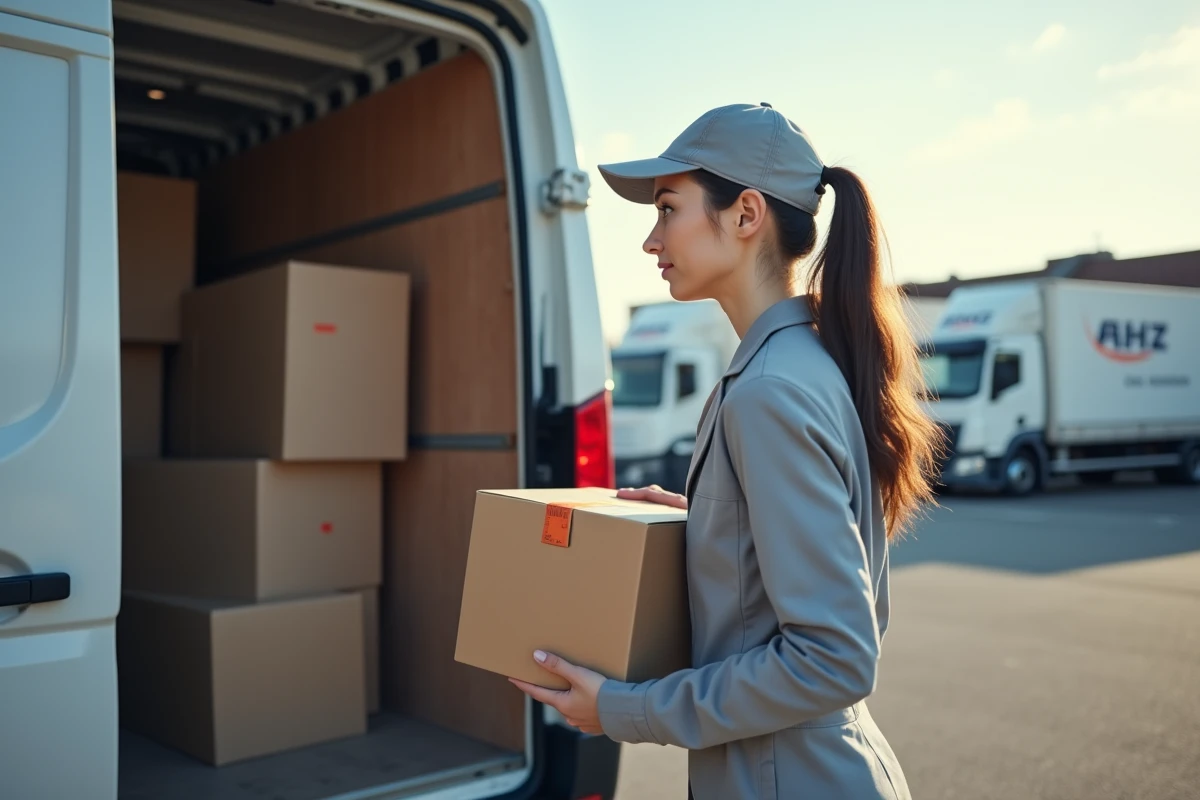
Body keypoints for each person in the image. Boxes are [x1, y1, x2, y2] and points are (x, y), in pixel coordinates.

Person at [509, 103, 943, 799]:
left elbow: (834, 659)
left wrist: (624, 709)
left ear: (746, 215)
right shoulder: (798, 363)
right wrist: (708, 517)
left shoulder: (769, 388)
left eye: (668, 208)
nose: (652, 241)